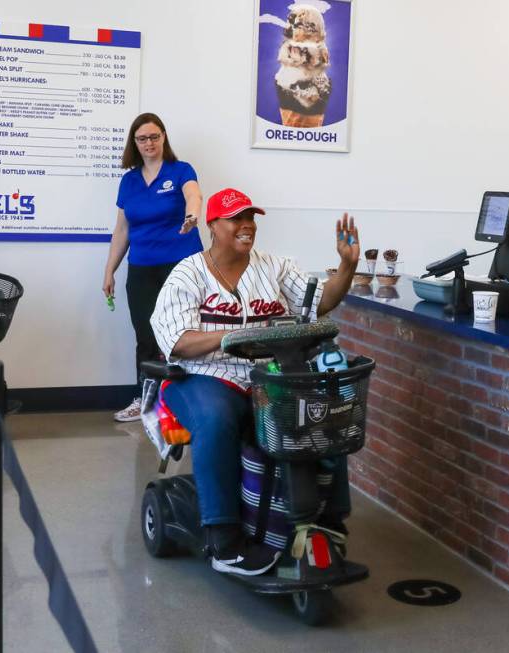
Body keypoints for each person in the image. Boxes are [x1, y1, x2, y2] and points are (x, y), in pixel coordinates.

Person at [150, 188, 359, 576]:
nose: (246, 226)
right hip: (204, 377)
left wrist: (345, 267)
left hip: (268, 377)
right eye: (236, 218)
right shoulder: (188, 273)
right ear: (213, 225)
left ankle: (329, 520)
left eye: (251, 218)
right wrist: (230, 339)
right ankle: (224, 539)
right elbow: (177, 341)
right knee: (216, 419)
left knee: (324, 412)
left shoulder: (275, 266)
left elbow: (319, 304)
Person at [103, 113, 204, 422]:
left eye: (154, 137)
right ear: (135, 143)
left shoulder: (180, 169)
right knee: (146, 335)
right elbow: (122, 230)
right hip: (142, 268)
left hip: (181, 265)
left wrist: (192, 215)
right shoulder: (129, 181)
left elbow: (193, 194)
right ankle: (146, 400)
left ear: (163, 138)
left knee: (186, 333)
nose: (149, 143)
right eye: (142, 138)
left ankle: (191, 399)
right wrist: (109, 271)